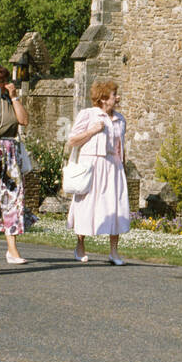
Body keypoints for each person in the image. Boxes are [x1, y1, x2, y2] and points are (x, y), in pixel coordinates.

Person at [66, 80, 130, 264]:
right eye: (114, 95)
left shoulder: (120, 119)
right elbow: (73, 140)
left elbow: (120, 147)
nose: (117, 98)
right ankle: (80, 246)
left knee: (115, 206)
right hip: (92, 165)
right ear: (103, 98)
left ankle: (114, 252)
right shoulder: (88, 115)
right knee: (87, 205)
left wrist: (122, 168)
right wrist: (93, 130)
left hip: (113, 166)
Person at [0, 66, 31, 264]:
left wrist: (14, 97)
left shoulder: (9, 101)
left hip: (10, 154)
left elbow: (24, 120)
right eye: (3, 82)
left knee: (13, 199)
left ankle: (12, 250)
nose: (7, 85)